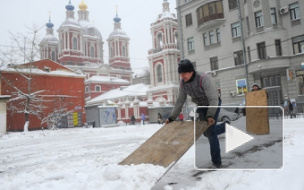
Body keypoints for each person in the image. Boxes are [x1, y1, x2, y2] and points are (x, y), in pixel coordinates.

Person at [164, 59, 225, 168]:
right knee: (205, 133)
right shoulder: (183, 84)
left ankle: (217, 161)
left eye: (184, 73)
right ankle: (225, 126)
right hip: (201, 106)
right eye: (180, 74)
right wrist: (172, 117)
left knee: (210, 132)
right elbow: (180, 100)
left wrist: (210, 115)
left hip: (213, 104)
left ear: (191, 71)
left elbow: (213, 99)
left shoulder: (203, 78)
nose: (182, 76)